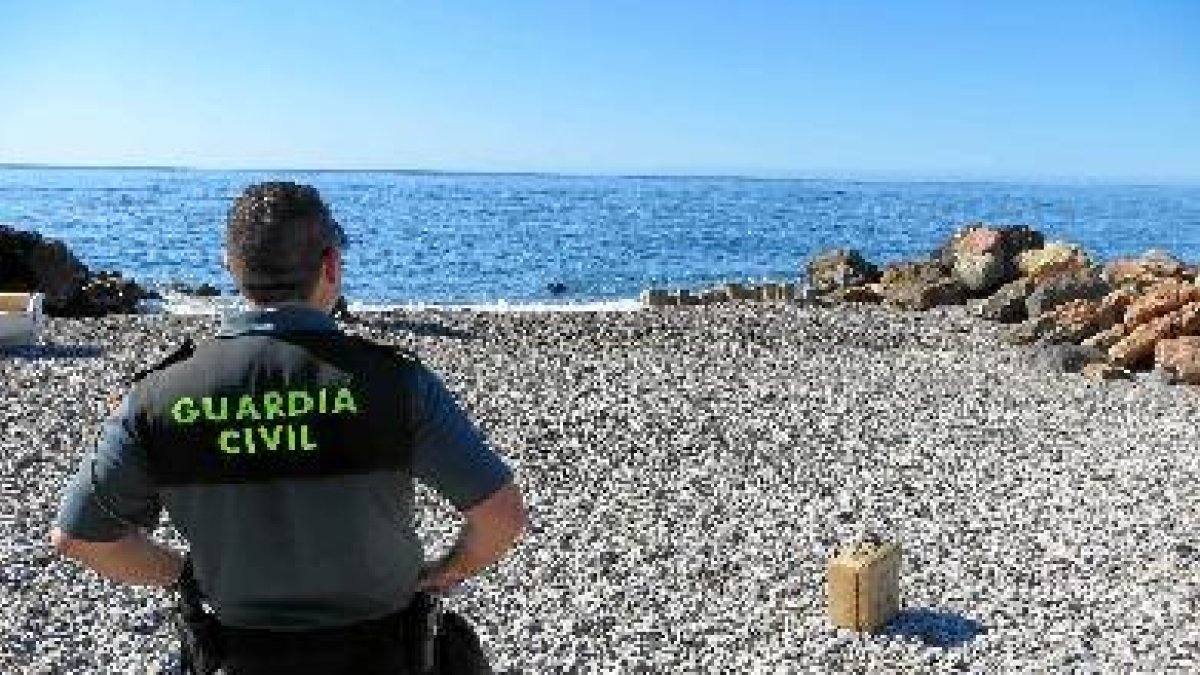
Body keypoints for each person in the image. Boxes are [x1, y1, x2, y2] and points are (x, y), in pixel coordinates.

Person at [50, 181, 528, 673]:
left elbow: (81, 538)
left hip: (238, 655)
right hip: (384, 653)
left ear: (232, 269)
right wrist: (446, 571)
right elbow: (501, 517)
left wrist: (185, 575)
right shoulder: (395, 385)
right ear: (331, 267)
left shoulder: (158, 398)